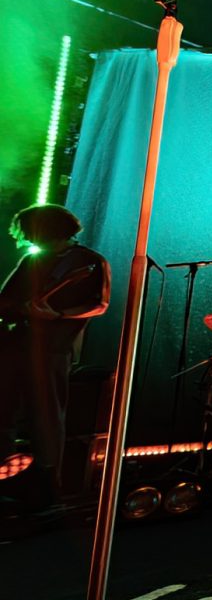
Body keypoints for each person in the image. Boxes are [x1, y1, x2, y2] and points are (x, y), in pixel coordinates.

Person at [0, 204, 110, 507]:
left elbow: (99, 304)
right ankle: (8, 477)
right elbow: (5, 300)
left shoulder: (89, 261)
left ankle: (47, 488)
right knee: (4, 412)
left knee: (46, 417)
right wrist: (22, 308)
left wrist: (57, 314)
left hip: (52, 350)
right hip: (14, 346)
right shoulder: (33, 261)